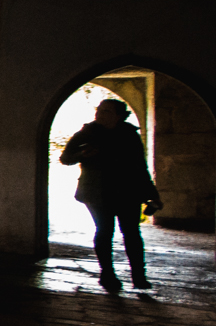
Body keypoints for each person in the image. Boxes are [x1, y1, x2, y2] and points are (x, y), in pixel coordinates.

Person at [59, 97, 162, 290]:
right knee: (104, 231)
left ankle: (139, 276)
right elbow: (65, 158)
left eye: (106, 111)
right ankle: (107, 274)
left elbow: (140, 165)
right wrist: (82, 155)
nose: (100, 113)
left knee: (132, 233)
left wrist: (152, 193)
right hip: (97, 191)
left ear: (118, 116)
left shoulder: (130, 134)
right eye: (99, 109)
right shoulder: (86, 133)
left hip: (128, 191)